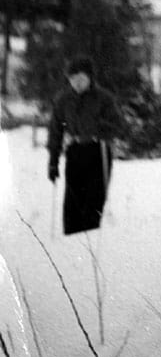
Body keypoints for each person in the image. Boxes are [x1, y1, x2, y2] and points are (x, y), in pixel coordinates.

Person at [47, 56, 126, 235]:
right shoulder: (63, 100)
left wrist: (103, 127)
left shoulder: (104, 98)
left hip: (98, 152)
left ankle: (89, 243)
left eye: (81, 78)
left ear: (90, 78)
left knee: (93, 204)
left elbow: (119, 126)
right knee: (72, 206)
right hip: (75, 152)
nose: (77, 83)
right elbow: (55, 131)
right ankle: (71, 243)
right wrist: (53, 162)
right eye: (73, 79)